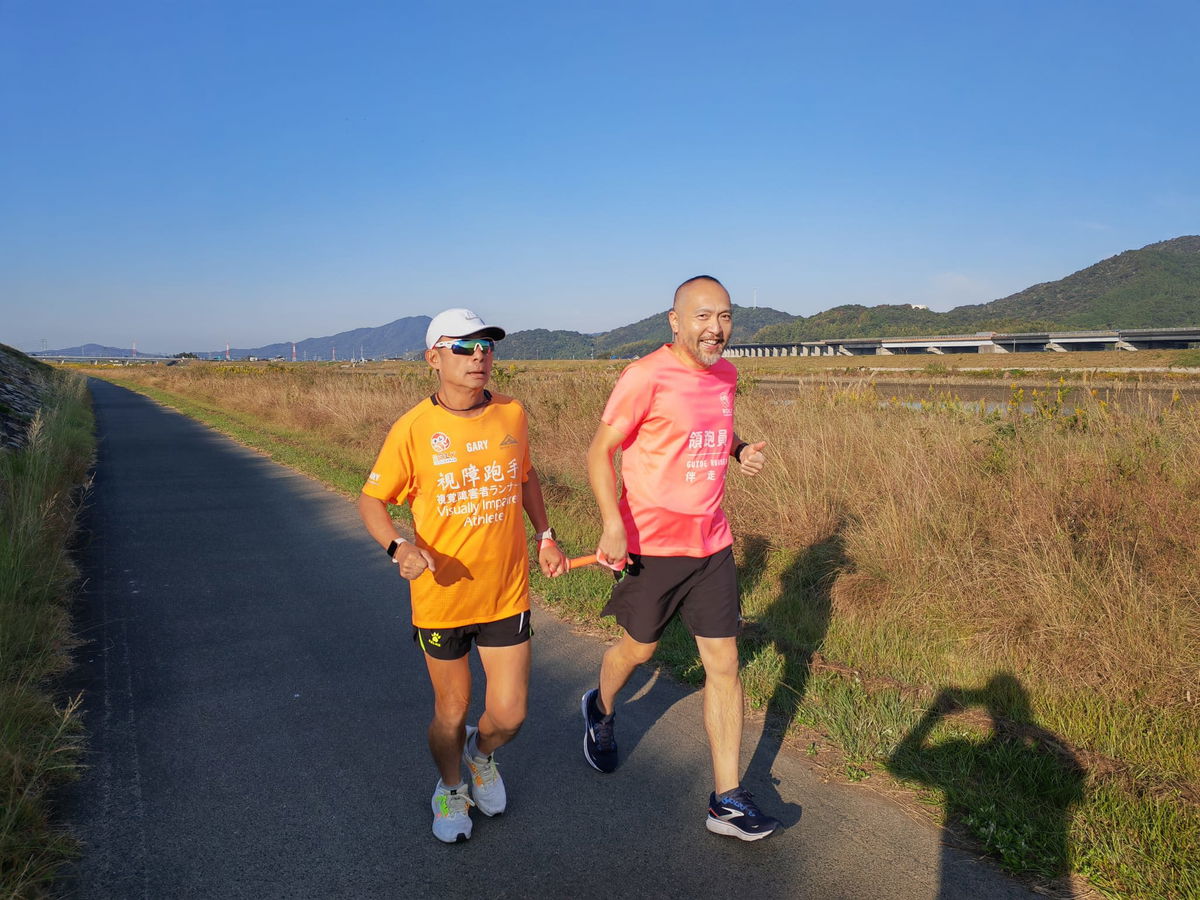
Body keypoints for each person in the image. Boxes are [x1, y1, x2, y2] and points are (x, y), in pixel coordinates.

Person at [581, 275, 780, 840]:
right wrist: (612, 523)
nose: (715, 329)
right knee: (639, 651)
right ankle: (601, 706)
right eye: (702, 317)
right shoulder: (644, 375)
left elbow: (713, 425)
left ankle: (727, 799)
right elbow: (600, 452)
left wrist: (739, 450)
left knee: (725, 666)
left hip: (713, 545)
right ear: (674, 320)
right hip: (653, 548)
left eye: (725, 316)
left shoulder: (727, 374)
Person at [359, 308, 567, 843]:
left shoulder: (512, 414)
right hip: (441, 599)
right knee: (450, 711)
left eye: (486, 346)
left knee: (511, 714)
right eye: (464, 347)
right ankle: (450, 786)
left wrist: (545, 535)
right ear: (433, 358)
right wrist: (397, 546)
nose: (479, 356)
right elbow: (372, 499)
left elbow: (526, 476)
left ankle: (480, 757)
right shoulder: (412, 429)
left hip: (504, 593)